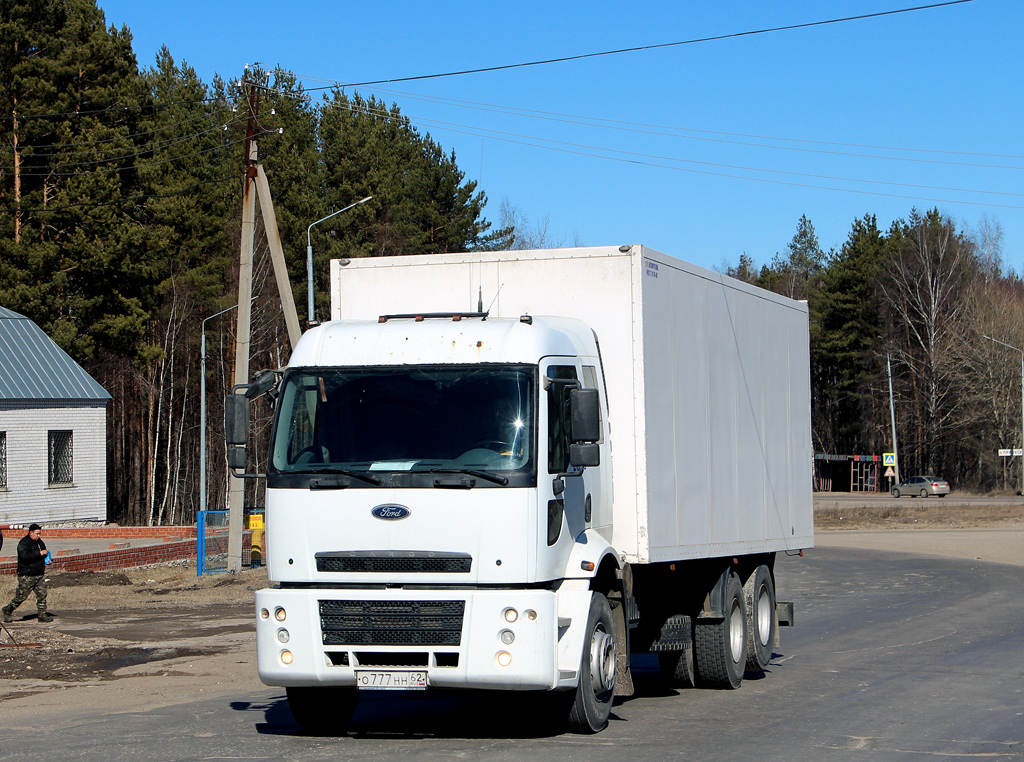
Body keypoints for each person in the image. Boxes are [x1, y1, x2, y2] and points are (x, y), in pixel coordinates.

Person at [2, 523, 53, 623]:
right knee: (21, 596)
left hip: (38, 573)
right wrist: (39, 553)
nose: (39, 536)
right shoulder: (24, 543)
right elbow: (25, 557)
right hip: (27, 574)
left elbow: (43, 552)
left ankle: (42, 615)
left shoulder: (39, 542)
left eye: (39, 534)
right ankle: (8, 609)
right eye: (37, 534)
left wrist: (46, 557)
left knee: (42, 594)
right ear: (31, 533)